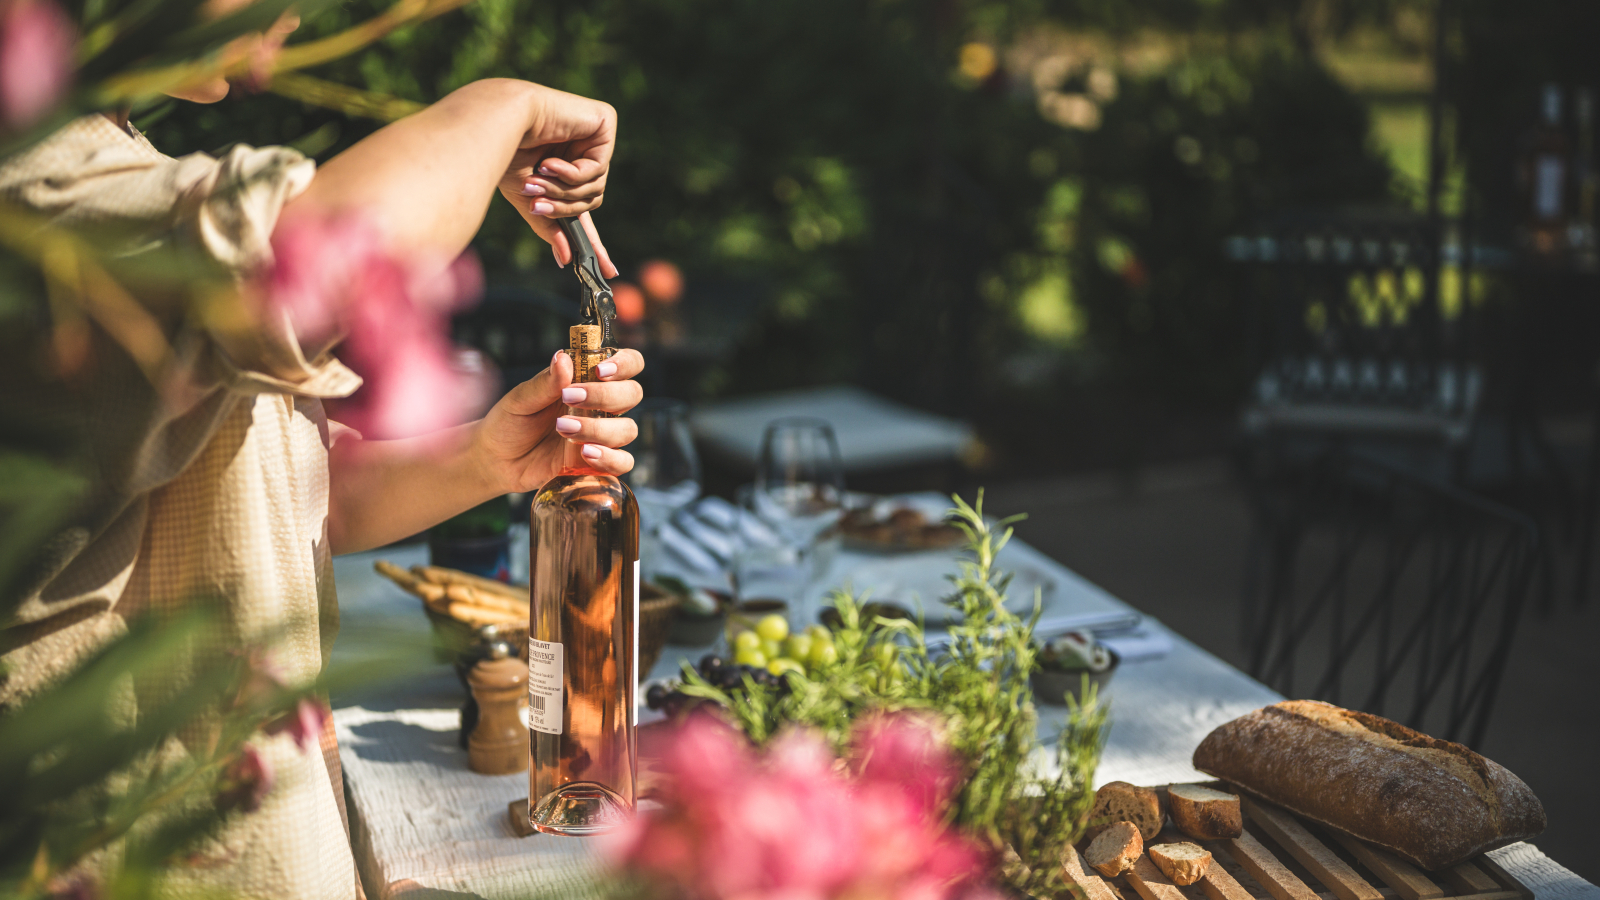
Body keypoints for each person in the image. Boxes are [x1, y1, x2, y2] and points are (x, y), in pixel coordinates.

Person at [0, 7, 642, 898]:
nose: (296, 13)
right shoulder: (35, 181)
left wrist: (488, 461)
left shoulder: (115, 155)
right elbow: (289, 261)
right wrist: (501, 110)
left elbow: (280, 499)